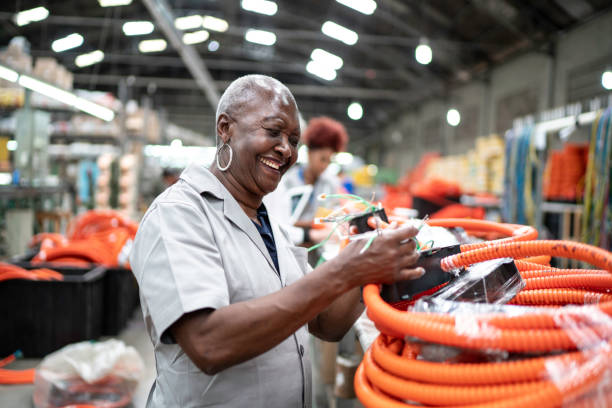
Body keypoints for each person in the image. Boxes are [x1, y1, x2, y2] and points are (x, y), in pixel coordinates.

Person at [129, 74, 423, 407]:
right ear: (225, 128)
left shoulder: (266, 223)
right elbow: (207, 342)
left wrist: (368, 266)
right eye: (273, 132)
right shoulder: (178, 214)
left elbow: (326, 323)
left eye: (294, 140)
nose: (286, 149)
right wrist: (342, 270)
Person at [265, 117, 347, 246]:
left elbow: (335, 211)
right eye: (322, 159)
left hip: (318, 248)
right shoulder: (286, 182)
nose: (325, 166)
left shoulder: (330, 183)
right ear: (309, 153)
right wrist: (314, 225)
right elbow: (279, 221)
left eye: (329, 161)